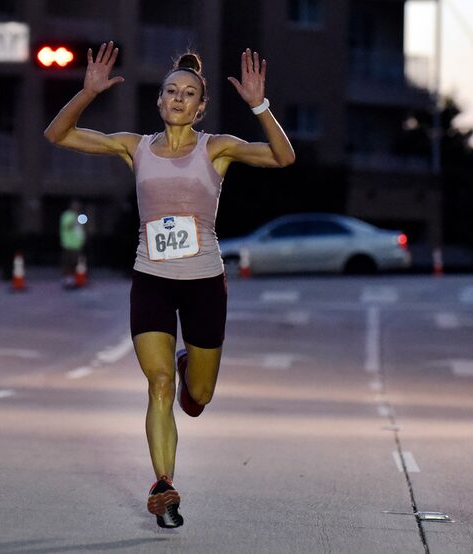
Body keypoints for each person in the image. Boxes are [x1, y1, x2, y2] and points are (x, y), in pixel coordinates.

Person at [44, 41, 295, 528]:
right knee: (157, 385)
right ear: (159, 102)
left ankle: (190, 372)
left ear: (201, 108)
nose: (178, 98)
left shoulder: (216, 148)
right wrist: (87, 92)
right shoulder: (134, 147)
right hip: (151, 280)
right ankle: (164, 485)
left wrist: (259, 106)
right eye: (171, 91)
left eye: (189, 94)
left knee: (197, 396)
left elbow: (284, 157)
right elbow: (57, 134)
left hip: (204, 283)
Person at [59, 199, 86, 288]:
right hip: (68, 244)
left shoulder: (78, 215)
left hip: (77, 244)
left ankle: (75, 280)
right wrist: (76, 221)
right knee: (68, 263)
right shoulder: (67, 215)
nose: (77, 207)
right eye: (75, 205)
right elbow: (68, 226)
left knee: (76, 263)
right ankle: (67, 280)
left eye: (77, 205)